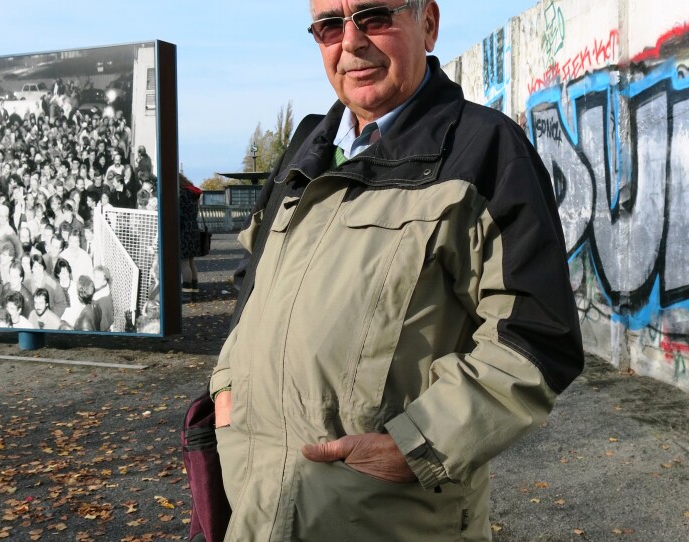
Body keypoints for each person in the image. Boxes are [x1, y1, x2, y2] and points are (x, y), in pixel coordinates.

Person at [208, 2, 585, 540]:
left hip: (385, 518)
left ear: (427, 23)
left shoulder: (485, 152)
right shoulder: (308, 148)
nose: (352, 42)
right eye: (329, 26)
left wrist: (420, 445)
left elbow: (537, 336)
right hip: (257, 505)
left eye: (375, 16)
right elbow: (256, 278)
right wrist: (227, 391)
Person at [179, 176, 202, 295]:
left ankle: (187, 291)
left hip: (183, 230)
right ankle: (194, 289)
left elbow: (180, 213)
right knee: (191, 262)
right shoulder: (193, 193)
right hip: (193, 228)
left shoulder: (182, 194)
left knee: (184, 262)